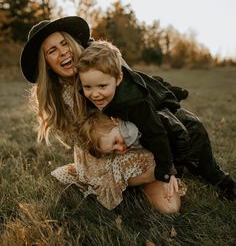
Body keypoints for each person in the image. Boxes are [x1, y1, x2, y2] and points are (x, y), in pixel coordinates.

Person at [20, 16, 182, 213]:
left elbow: (141, 107)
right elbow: (84, 143)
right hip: (99, 153)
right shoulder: (58, 96)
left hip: (136, 137)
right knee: (155, 182)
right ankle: (118, 183)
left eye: (64, 43)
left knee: (169, 207)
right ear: (45, 62)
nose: (62, 52)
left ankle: (137, 180)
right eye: (52, 51)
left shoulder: (103, 62)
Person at [77, 40, 236, 201]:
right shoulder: (103, 87)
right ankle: (183, 165)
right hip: (169, 126)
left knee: (208, 169)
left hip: (188, 130)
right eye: (88, 87)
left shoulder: (135, 103)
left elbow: (157, 134)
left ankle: (229, 187)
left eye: (102, 86)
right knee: (186, 163)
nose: (94, 94)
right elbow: (149, 80)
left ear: (118, 79)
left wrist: (166, 171)